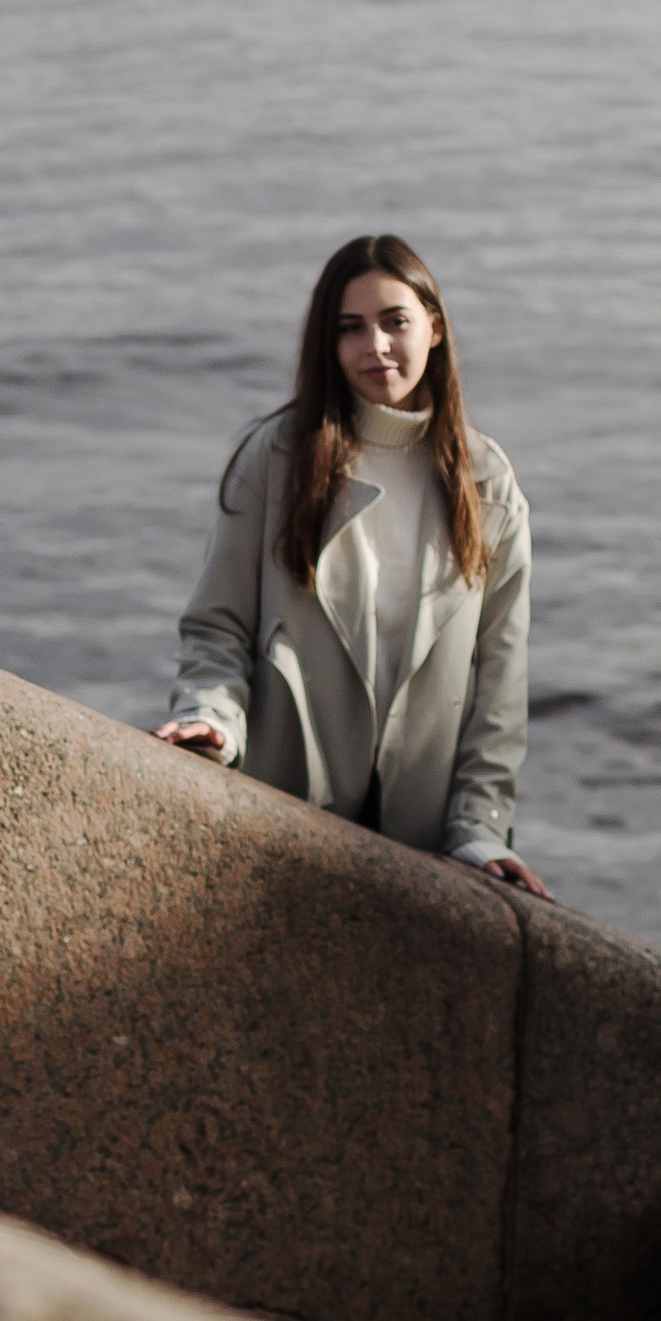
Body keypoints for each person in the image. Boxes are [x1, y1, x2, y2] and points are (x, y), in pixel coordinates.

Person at [155, 234, 551, 897]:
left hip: (422, 846)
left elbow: (498, 690)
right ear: (327, 345)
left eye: (395, 321)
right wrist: (212, 718)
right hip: (279, 820)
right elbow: (218, 627)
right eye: (351, 329)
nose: (376, 347)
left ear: (435, 327)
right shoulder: (278, 456)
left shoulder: (487, 484)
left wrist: (480, 830)